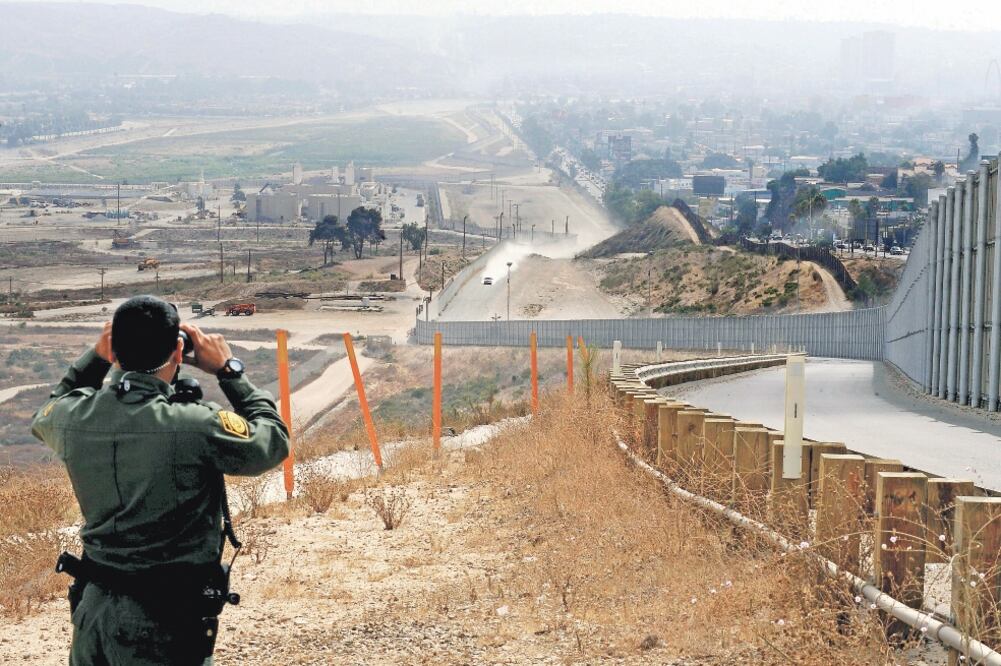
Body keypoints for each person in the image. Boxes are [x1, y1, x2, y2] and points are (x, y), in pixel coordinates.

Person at [31, 295, 290, 665]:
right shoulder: (195, 425)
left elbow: (50, 407)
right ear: (178, 350)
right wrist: (230, 371)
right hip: (163, 619)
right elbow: (273, 442)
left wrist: (95, 358)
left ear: (112, 349)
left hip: (93, 612)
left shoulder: (74, 418)